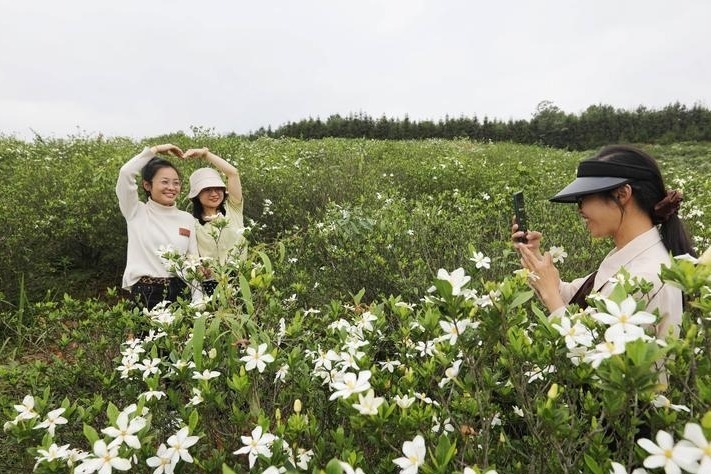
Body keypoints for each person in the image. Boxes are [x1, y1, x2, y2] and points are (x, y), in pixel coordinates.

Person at [513, 145, 695, 339]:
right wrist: (533, 256)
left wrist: (551, 295)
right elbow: (577, 299)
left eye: (583, 198)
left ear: (622, 194)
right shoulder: (630, 255)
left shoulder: (646, 275)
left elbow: (591, 356)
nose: (579, 209)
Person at [116, 144, 200, 309]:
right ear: (147, 186)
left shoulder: (187, 219)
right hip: (146, 291)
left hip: (181, 291)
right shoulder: (135, 211)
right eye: (164, 182)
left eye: (176, 183)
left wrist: (198, 300)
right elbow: (125, 174)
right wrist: (154, 150)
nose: (171, 187)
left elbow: (193, 262)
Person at [183, 147, 246, 295]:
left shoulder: (233, 208)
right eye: (207, 189)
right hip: (211, 284)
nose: (214, 194)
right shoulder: (192, 222)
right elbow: (190, 255)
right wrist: (199, 269)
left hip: (241, 278)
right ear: (196, 195)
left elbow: (233, 173)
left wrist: (206, 154)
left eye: (217, 188)